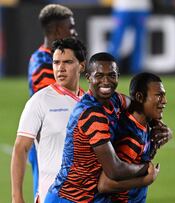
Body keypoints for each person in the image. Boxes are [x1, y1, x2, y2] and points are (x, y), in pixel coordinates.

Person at [45, 53, 162, 202]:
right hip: (69, 198)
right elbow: (114, 170)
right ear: (88, 78)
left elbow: (135, 105)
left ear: (118, 76)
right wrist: (146, 173)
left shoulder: (115, 100)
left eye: (111, 75)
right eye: (99, 75)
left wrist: (156, 123)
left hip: (88, 197)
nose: (106, 81)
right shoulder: (93, 114)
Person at [11, 38, 86, 203]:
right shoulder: (39, 101)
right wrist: (17, 198)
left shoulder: (90, 103)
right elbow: (20, 148)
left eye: (67, 62)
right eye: (56, 62)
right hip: (51, 196)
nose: (61, 68)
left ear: (82, 65)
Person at [26, 4, 78, 200]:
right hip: (49, 144)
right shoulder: (45, 67)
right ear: (58, 31)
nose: (75, 32)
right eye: (71, 28)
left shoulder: (44, 57)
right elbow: (59, 105)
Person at [98, 72, 167, 202]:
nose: (164, 101)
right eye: (159, 95)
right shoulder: (131, 139)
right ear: (140, 97)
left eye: (164, 95)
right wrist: (146, 180)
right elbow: (104, 184)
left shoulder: (142, 124)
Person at [108, 0, 151, 74]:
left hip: (141, 7)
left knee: (139, 40)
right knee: (117, 39)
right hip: (122, 7)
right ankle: (108, 67)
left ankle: (136, 69)